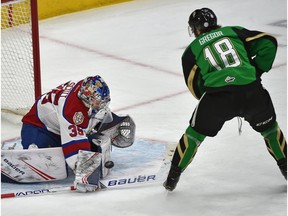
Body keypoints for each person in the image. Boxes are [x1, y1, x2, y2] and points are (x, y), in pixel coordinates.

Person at [163, 8, 287, 191]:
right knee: (270, 130)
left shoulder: (191, 51)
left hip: (217, 99)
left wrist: (210, 94)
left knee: (193, 135)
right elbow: (269, 42)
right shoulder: (232, 32)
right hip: (251, 92)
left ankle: (171, 180)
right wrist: (255, 71)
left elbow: (193, 84)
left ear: (195, 29)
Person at [21, 75, 113, 192]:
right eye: (98, 102)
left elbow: (92, 117)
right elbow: (75, 141)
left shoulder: (85, 89)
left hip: (59, 125)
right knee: (39, 162)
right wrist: (86, 174)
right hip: (39, 126)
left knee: (94, 141)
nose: (101, 105)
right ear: (87, 98)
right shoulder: (71, 109)